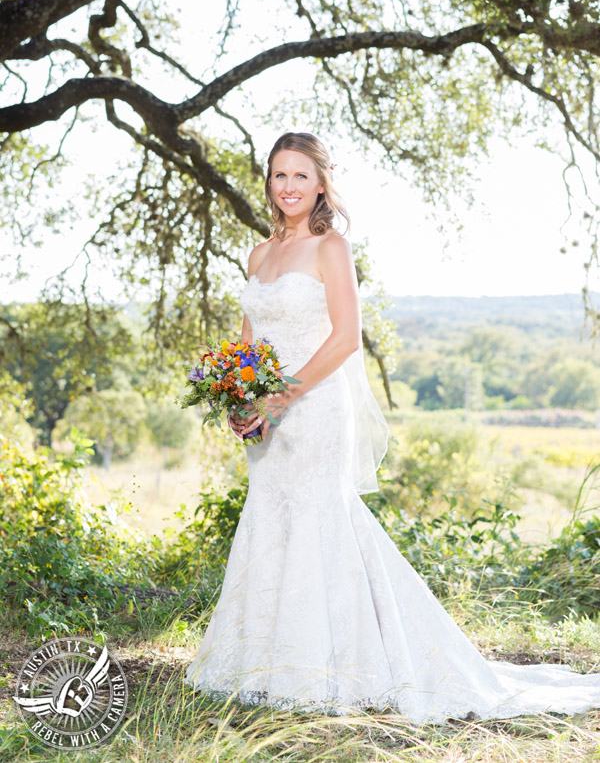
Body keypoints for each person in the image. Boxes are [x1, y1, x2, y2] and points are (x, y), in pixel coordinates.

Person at [185, 131, 600, 724]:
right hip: (269, 414)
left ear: (321, 183)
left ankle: (338, 665)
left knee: (320, 518)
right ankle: (264, 663)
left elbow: (346, 338)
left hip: (316, 407)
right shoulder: (258, 254)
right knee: (271, 517)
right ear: (269, 183)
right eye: (279, 175)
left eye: (301, 175)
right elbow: (248, 343)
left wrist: (281, 397)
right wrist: (239, 397)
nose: (289, 187)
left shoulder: (332, 247)